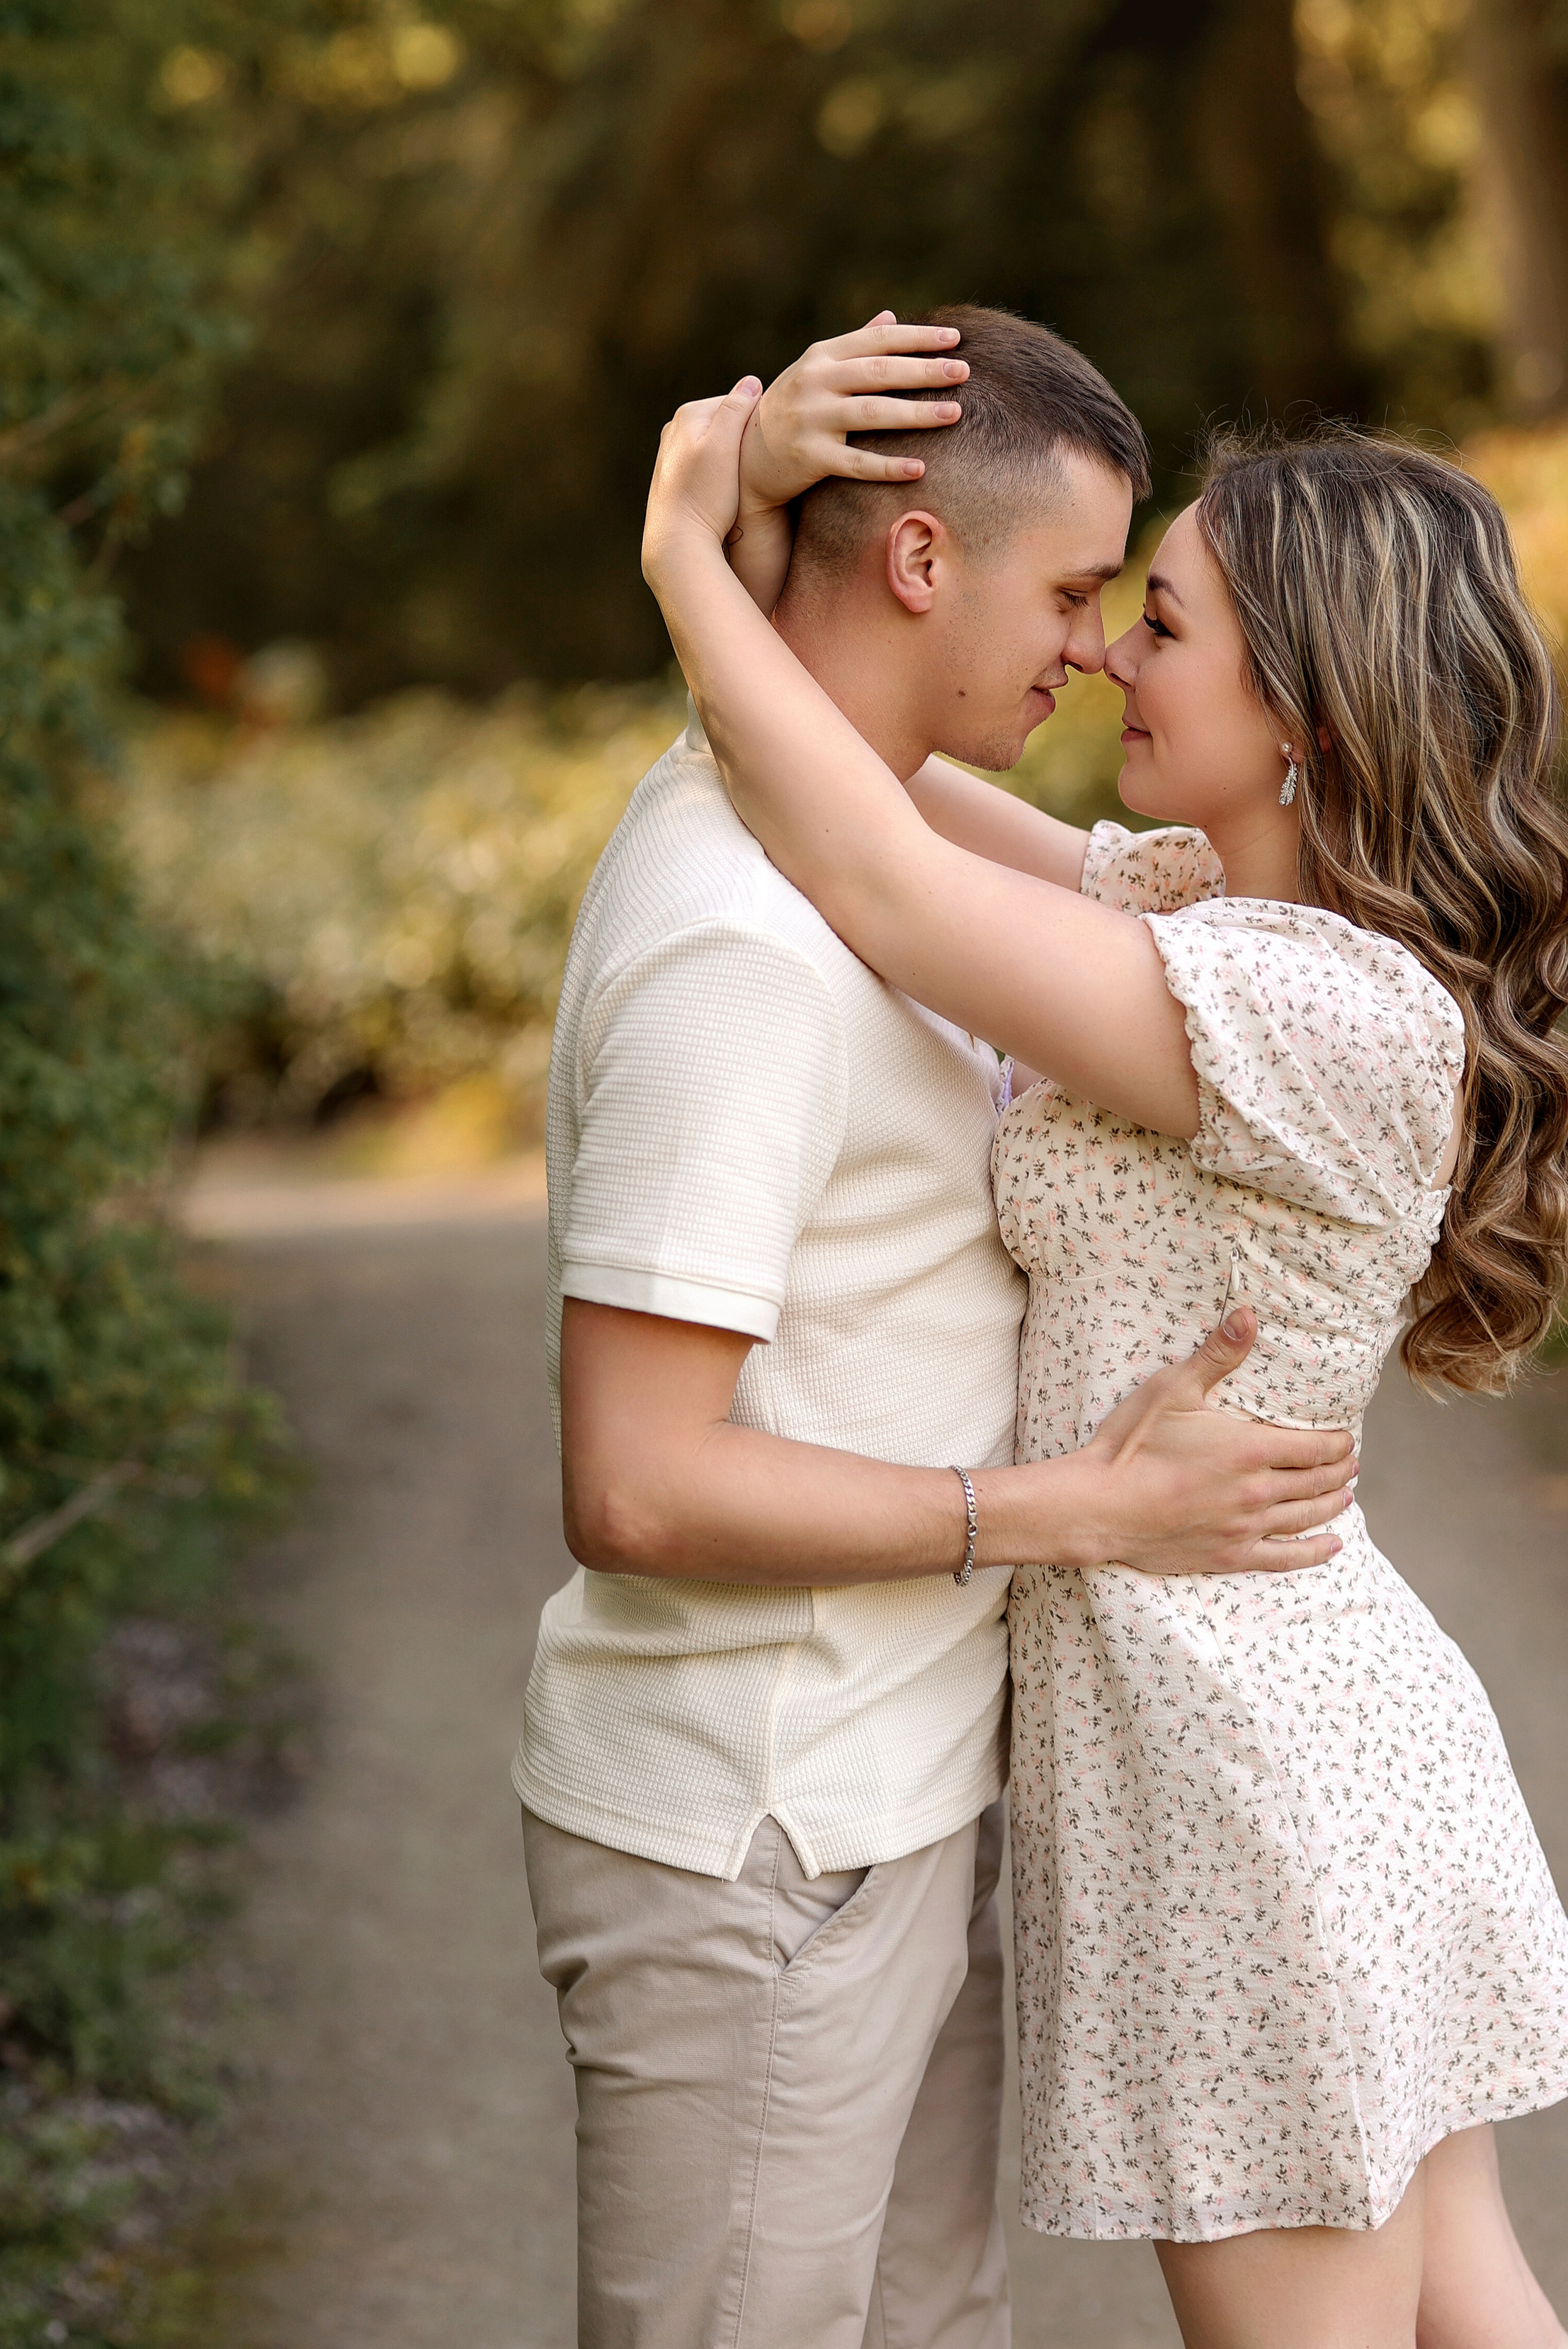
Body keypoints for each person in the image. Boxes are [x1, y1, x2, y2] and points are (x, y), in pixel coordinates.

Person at [640, 329, 1568, 2349]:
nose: (1098, 661)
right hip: (1297, 1736)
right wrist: (771, 544)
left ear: (1307, 721)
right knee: (1469, 2309)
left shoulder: (1311, 1017)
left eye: (1153, 622)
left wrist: (675, 562)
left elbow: (881, 881)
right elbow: (870, 757)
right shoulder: (1208, 923)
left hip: (1249, 1781)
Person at [513, 309, 1363, 2349]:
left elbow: (856, 794)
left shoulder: (849, 849)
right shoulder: (738, 948)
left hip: (895, 1804)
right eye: (1078, 592)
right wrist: (1071, 1508)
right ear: (917, 563)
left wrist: (706, 550)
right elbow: (632, 1485)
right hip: (759, 1832)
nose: (1094, 649)